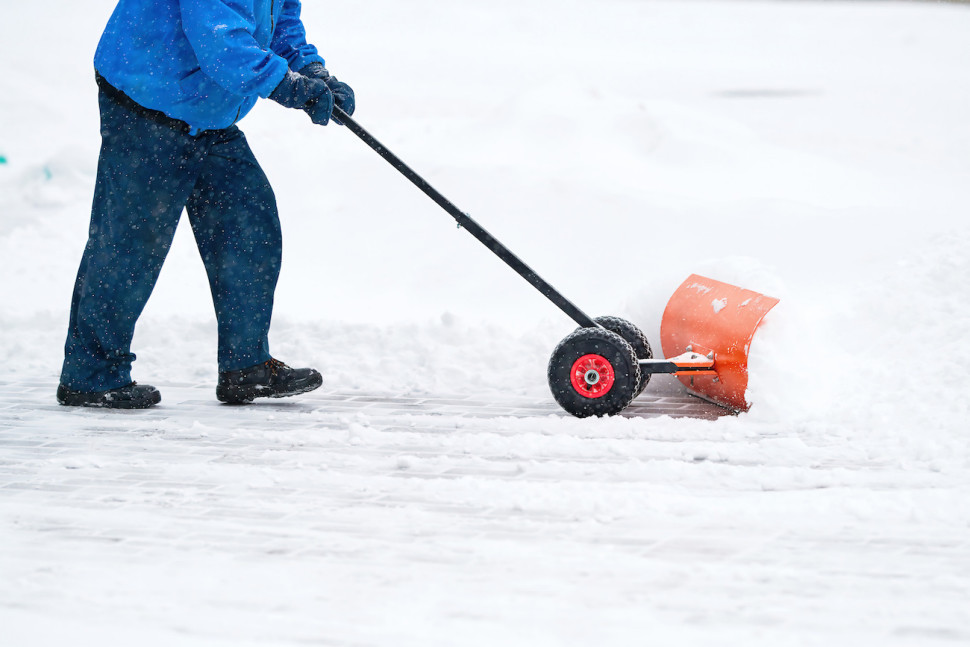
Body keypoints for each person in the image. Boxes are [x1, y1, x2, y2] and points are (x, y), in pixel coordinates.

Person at [56, 0, 354, 409]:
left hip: (207, 112)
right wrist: (291, 87)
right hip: (149, 101)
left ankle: (245, 367)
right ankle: (90, 376)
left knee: (249, 227)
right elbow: (221, 42)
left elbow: (281, 23)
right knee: (130, 245)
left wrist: (311, 71)